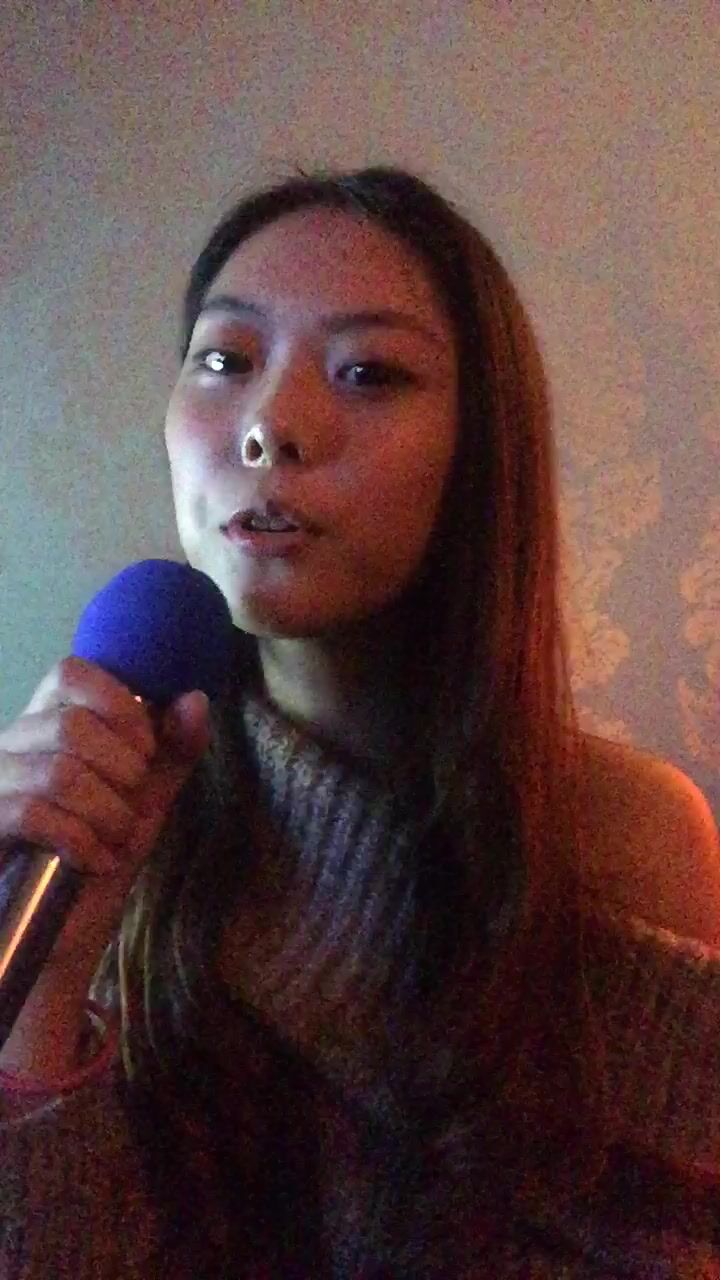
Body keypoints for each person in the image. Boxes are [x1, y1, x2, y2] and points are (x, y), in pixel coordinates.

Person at [1, 165, 719, 1278]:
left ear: (478, 450)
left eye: (369, 372)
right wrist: (53, 976)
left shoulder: (624, 841)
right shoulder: (109, 823)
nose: (270, 426)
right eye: (225, 360)